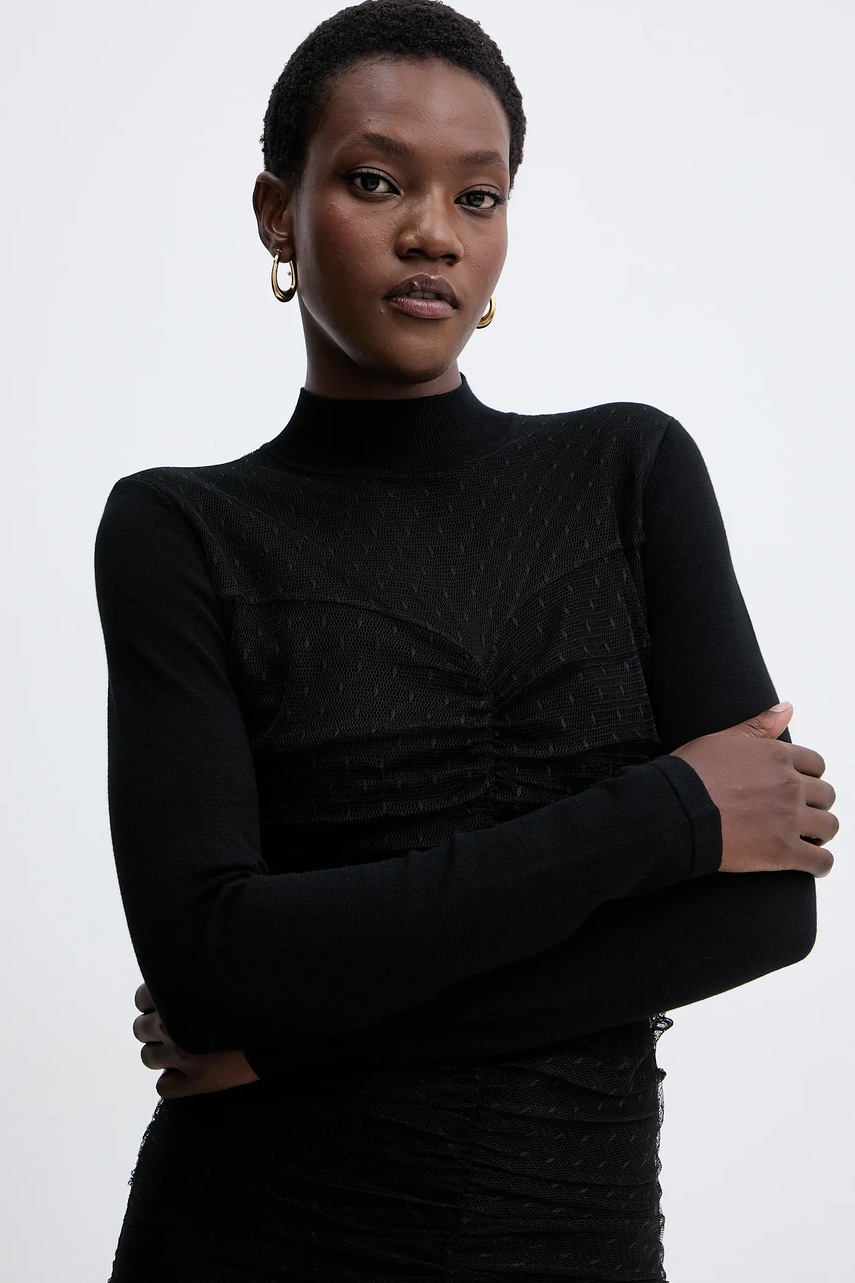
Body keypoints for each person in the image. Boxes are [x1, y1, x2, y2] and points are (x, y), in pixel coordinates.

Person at [93, 2, 838, 1279]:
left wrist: (298, 1029)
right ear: (279, 213)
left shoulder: (630, 471)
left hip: (577, 1238)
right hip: (256, 1237)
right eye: (376, 182)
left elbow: (762, 915)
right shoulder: (180, 530)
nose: (433, 232)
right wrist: (669, 812)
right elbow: (212, 961)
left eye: (477, 197)